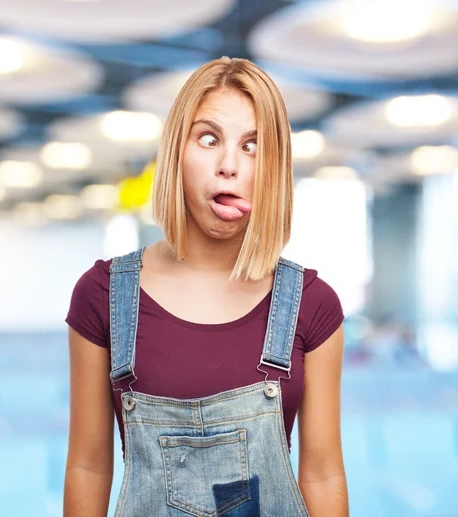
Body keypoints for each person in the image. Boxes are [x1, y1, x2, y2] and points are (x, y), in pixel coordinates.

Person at [64, 56, 348, 517]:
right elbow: (88, 466)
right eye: (209, 138)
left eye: (253, 146)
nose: (229, 165)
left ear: (274, 169)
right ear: (178, 149)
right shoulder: (103, 296)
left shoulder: (312, 305)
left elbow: (322, 472)